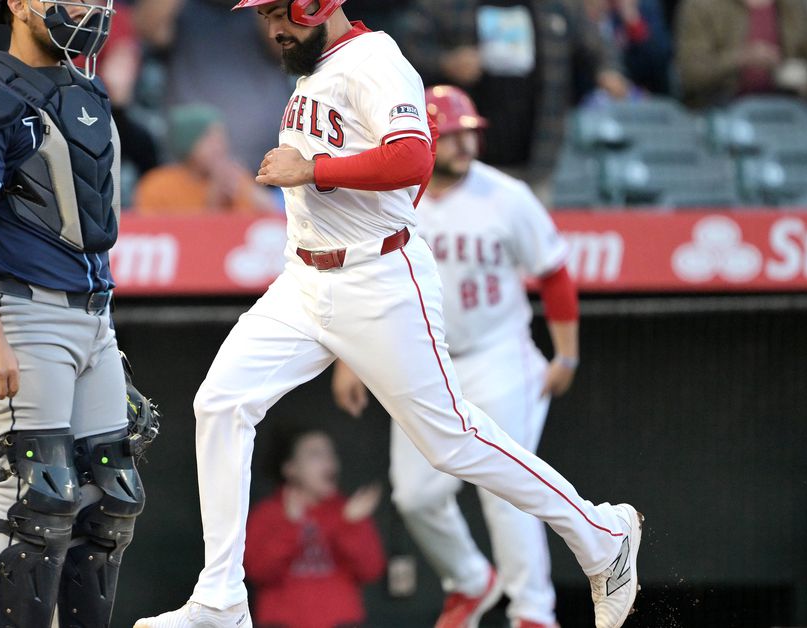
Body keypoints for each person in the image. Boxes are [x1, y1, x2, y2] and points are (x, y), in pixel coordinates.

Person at [135, 2, 643, 628]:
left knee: (452, 441)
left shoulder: (375, 59)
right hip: (304, 279)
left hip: (376, 278)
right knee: (220, 402)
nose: (269, 26)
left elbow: (413, 159)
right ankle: (221, 600)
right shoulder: (312, 67)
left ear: (314, 5)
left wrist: (316, 168)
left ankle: (602, 534)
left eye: (276, 11)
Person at [330, 85, 577, 628]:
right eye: (454, 135)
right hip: (423, 360)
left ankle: (534, 612)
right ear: (426, 139)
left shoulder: (506, 196)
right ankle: (468, 580)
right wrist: (349, 360)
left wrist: (567, 356)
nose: (466, 145)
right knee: (415, 497)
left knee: (505, 485)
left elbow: (554, 272)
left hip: (498, 352)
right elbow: (362, 282)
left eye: (471, 135)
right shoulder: (394, 200)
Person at [0, 1, 147, 626]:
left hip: (91, 318)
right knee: (38, 498)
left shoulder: (88, 91)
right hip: (17, 312)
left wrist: (100, 335)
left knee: (110, 499)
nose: (84, 7)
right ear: (21, 5)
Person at [401, 0, 629, 201]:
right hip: (462, 167)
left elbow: (598, 43)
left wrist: (609, 70)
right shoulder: (444, 5)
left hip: (537, 161)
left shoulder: (559, 5)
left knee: (528, 244)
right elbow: (406, 48)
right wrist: (447, 62)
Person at [244, 429, 385, 628]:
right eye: (315, 454)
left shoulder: (347, 511)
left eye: (330, 454)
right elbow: (258, 571)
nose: (328, 461)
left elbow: (371, 571)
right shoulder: (268, 513)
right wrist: (291, 526)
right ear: (290, 468)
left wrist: (349, 525)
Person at [133, 0, 295, 173]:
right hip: (191, 175)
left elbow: (285, 46)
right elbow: (144, 29)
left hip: (273, 174)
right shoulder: (181, 9)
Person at [133, 103, 279, 215]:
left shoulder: (235, 178)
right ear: (187, 142)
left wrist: (251, 193)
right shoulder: (157, 186)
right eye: (210, 139)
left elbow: (271, 221)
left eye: (221, 138)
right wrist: (213, 200)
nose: (220, 147)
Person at [675, 0, 807, 108]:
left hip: (787, 109)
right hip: (720, 109)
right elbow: (690, 73)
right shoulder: (701, 5)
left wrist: (805, 75)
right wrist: (741, 59)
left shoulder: (795, 6)